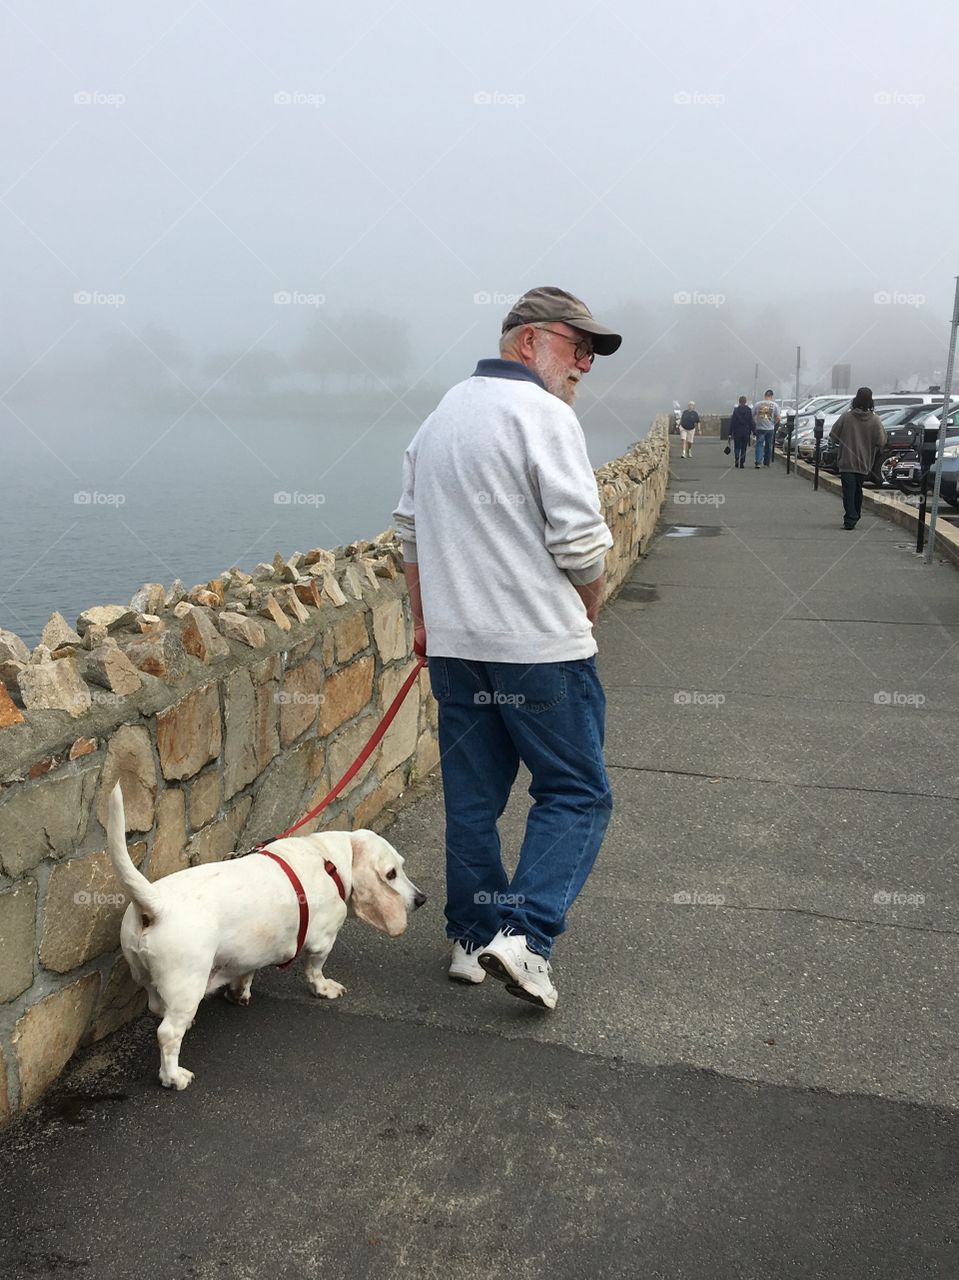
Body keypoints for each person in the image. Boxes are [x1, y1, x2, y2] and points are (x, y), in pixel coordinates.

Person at [392, 286, 620, 1010]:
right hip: (538, 648)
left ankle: (471, 938)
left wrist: (424, 624)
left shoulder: (438, 420)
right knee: (576, 792)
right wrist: (586, 604)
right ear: (527, 341)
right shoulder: (543, 416)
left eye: (591, 352)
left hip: (459, 648)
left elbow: (408, 534)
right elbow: (580, 542)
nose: (584, 362)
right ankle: (522, 939)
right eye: (575, 345)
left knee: (472, 799)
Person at [828, 386, 887, 530]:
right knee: (858, 489)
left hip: (847, 461)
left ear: (856, 399)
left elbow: (833, 435)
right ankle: (856, 513)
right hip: (864, 462)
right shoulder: (875, 420)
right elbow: (881, 441)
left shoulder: (846, 417)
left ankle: (850, 518)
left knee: (848, 491)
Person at [752, 389, 781, 467]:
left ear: (764, 396)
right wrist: (774, 423)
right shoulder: (775, 405)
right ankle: (766, 462)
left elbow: (752, 414)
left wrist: (756, 422)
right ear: (771, 396)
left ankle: (758, 462)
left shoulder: (758, 404)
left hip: (759, 427)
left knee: (759, 445)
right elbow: (778, 417)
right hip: (770, 428)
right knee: (768, 445)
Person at [728, 396, 754, 468]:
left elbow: (732, 422)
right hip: (746, 432)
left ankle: (736, 460)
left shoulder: (736, 411)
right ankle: (742, 463)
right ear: (745, 402)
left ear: (739, 401)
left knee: (737, 447)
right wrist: (754, 431)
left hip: (737, 431)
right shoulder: (748, 410)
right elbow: (751, 422)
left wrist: (730, 433)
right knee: (743, 448)